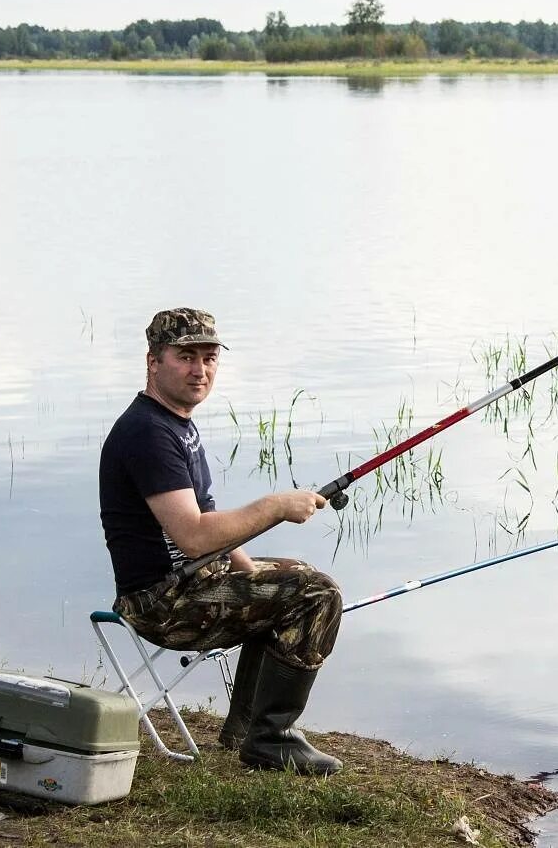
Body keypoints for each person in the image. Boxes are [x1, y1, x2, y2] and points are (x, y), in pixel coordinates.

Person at [98, 307, 343, 775]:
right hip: (162, 605)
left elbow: (207, 517)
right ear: (154, 362)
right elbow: (193, 536)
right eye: (186, 357)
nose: (200, 370)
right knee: (319, 593)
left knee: (295, 578)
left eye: (209, 358)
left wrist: (252, 573)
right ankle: (272, 740)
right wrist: (275, 506)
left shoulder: (175, 424)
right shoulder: (147, 432)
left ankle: (246, 728)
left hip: (189, 583)